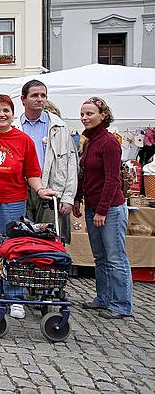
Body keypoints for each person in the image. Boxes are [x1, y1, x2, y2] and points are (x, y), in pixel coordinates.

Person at [0, 94, 58, 319]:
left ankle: (15, 295)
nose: (1, 114)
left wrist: (41, 189)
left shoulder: (23, 140)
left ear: (12, 114)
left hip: (13, 200)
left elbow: (32, 173)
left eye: (6, 110)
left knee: (13, 249)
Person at [73, 97, 133, 319]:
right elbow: (85, 175)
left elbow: (111, 179)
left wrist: (102, 210)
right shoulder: (90, 142)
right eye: (82, 114)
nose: (85, 118)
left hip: (110, 209)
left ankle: (121, 305)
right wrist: (79, 198)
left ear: (103, 115)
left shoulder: (109, 142)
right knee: (100, 257)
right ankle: (103, 298)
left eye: (89, 113)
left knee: (115, 257)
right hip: (93, 206)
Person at [14, 80, 78, 228]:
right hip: (23, 189)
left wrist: (68, 197)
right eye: (35, 95)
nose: (40, 99)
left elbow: (71, 164)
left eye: (43, 95)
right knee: (24, 236)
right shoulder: (14, 127)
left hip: (52, 187)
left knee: (51, 238)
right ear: (23, 99)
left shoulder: (59, 126)